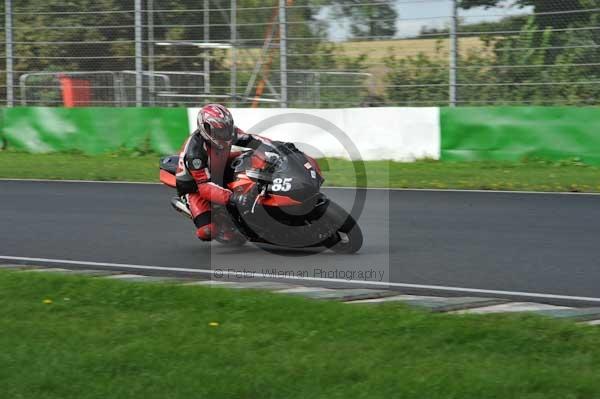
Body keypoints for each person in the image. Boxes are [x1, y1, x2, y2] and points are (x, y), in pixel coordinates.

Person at [175, 103, 274, 242]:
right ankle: (208, 216)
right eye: (221, 131)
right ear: (206, 129)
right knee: (207, 231)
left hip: (218, 166)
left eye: (227, 129)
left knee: (252, 155)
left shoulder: (228, 132)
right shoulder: (195, 153)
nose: (226, 135)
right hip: (194, 187)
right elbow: (204, 188)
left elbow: (253, 140)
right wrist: (235, 198)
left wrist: (277, 147)